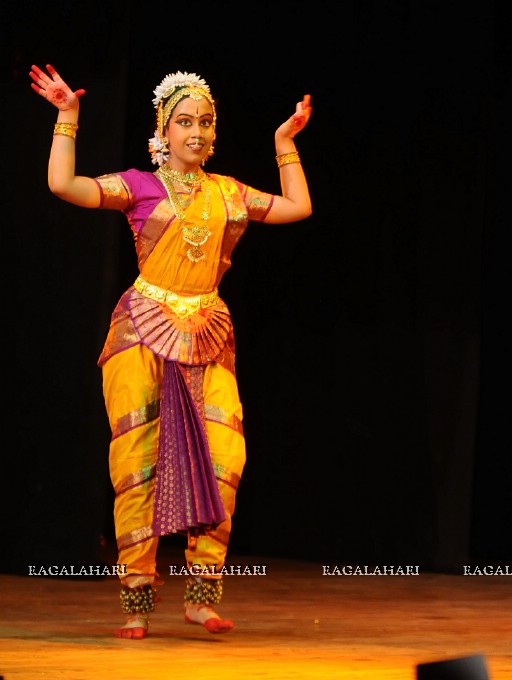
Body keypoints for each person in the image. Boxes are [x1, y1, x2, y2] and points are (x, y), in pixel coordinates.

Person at [29, 64, 313, 639]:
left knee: (225, 458)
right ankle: (136, 599)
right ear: (164, 127)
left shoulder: (228, 193)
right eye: (185, 122)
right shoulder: (138, 186)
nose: (198, 133)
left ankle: (202, 595)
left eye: (206, 123)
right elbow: (65, 186)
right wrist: (66, 118)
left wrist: (285, 145)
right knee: (137, 465)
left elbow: (297, 207)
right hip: (141, 330)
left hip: (208, 329)